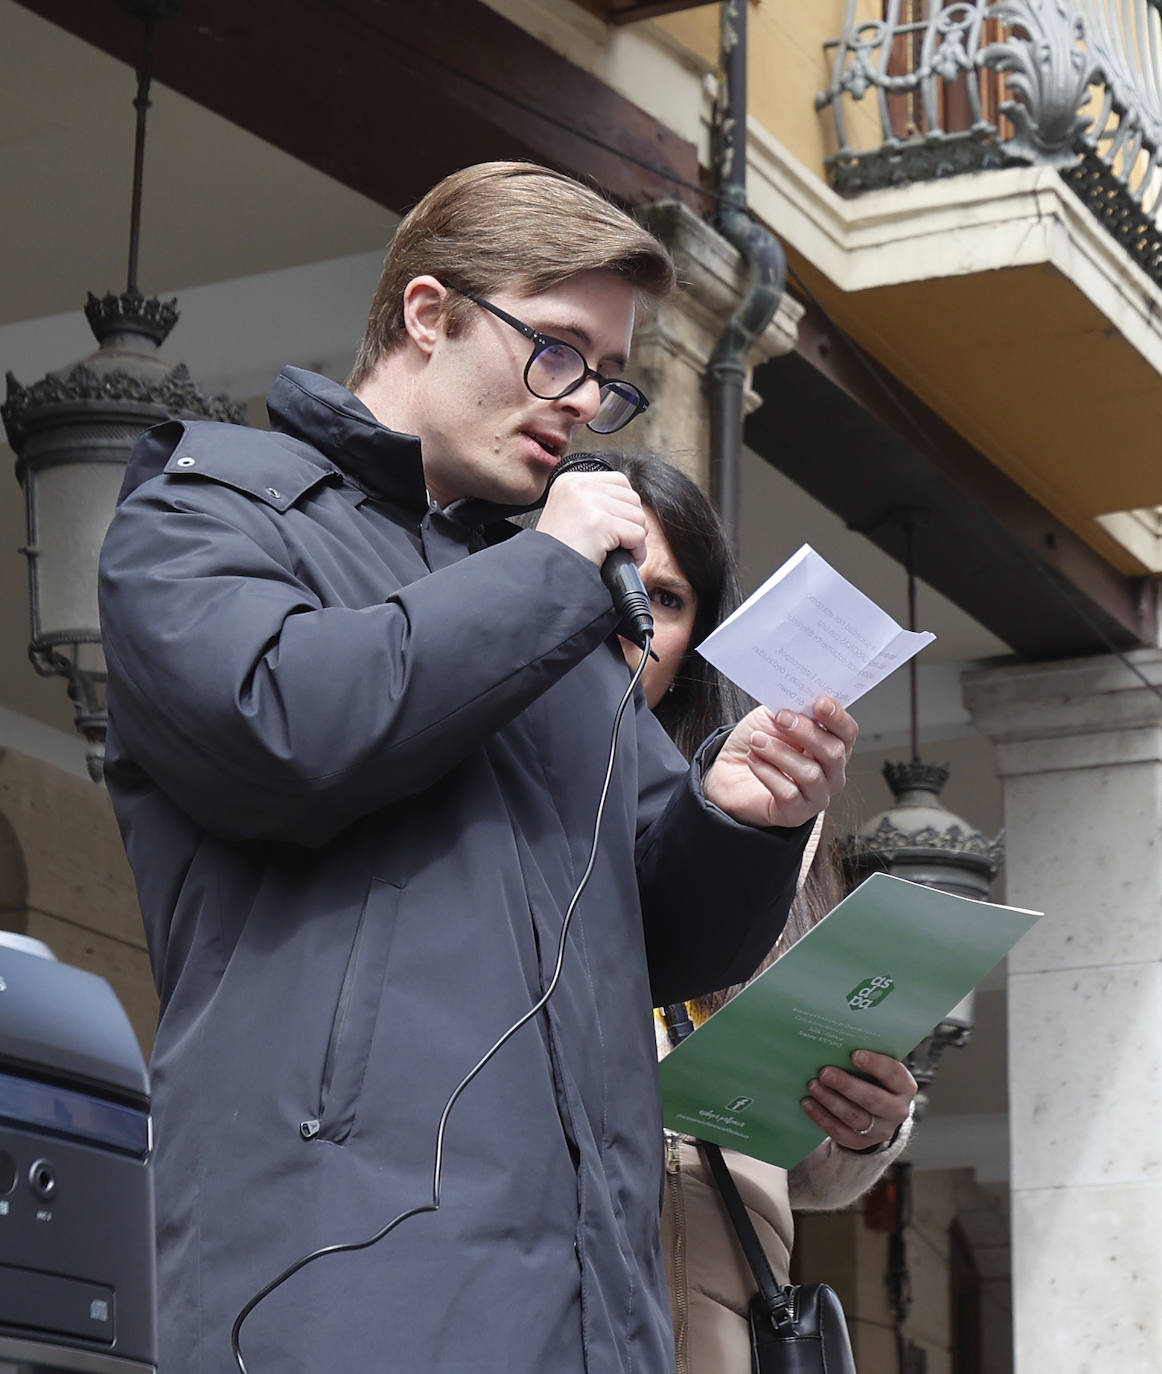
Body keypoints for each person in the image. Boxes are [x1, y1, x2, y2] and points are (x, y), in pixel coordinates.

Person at [98, 161, 860, 1374]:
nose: (581, 402)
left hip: (597, 1296)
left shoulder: (551, 606)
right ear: (425, 312)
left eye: (607, 377)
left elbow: (663, 938)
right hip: (335, 1274)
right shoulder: (211, 509)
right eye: (555, 349)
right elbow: (280, 731)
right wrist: (549, 576)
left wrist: (740, 816)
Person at [604, 452, 916, 1373]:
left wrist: (867, 1120)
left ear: (698, 634)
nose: (630, 621)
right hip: (557, 1293)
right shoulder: (489, 793)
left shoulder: (769, 832)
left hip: (728, 1314)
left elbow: (807, 1161)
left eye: (665, 600)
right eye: (612, 581)